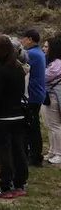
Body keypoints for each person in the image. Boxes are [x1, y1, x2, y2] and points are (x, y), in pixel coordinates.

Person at [0, 35, 29, 199]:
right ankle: (20, 183)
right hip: (18, 114)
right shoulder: (18, 69)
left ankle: (5, 186)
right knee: (18, 150)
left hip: (2, 116)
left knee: (3, 151)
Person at [20, 28, 45, 167]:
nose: (22, 41)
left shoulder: (31, 54)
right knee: (33, 126)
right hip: (38, 93)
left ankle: (35, 156)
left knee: (32, 127)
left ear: (29, 39)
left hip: (32, 95)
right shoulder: (39, 52)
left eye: (23, 38)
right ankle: (34, 154)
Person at [43, 35, 61, 165]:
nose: (44, 48)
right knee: (49, 125)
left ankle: (59, 153)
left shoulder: (57, 64)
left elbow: (44, 77)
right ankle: (52, 150)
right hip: (48, 97)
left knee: (55, 126)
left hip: (53, 97)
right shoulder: (50, 63)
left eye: (46, 46)